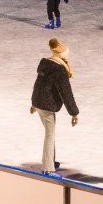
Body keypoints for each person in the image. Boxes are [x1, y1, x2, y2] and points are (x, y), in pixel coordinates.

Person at [30, 38, 78, 175]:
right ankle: (48, 168)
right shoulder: (59, 70)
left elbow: (38, 84)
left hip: (39, 103)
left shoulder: (45, 64)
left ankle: (50, 160)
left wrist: (33, 103)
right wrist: (74, 112)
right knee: (50, 135)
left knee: (49, 133)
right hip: (47, 105)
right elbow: (66, 93)